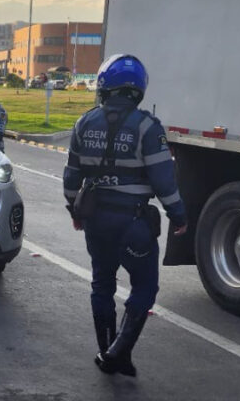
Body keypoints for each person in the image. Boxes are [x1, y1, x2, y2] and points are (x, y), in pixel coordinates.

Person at [63, 54, 187, 377]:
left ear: (105, 86)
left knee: (102, 283)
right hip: (133, 223)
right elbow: (164, 181)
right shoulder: (148, 126)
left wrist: (73, 210)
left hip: (95, 220)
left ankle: (106, 350)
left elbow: (71, 177)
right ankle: (118, 352)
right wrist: (179, 215)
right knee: (145, 286)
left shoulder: (84, 123)